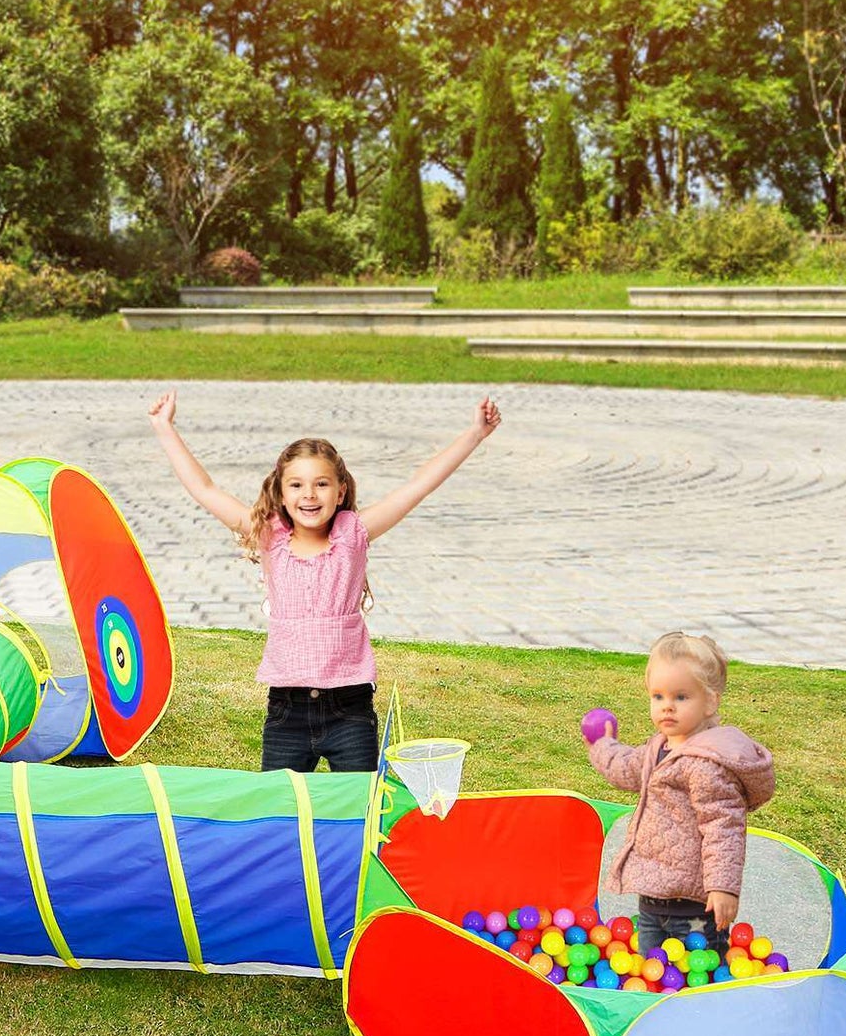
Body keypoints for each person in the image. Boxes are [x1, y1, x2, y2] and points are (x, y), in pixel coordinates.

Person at [147, 388, 501, 771]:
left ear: (341, 490)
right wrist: (164, 427)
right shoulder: (269, 534)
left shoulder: (354, 533)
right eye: (296, 485)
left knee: (356, 812)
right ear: (281, 495)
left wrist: (475, 434)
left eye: (322, 484)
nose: (309, 495)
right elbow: (205, 489)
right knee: (282, 813)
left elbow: (417, 486)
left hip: (349, 710)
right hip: (287, 711)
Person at [586, 631, 775, 956]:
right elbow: (626, 767)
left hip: (693, 905)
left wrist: (723, 887)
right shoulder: (659, 747)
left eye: (681, 697)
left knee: (696, 979)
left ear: (711, 701)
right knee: (653, 972)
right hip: (653, 898)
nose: (667, 707)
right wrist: (603, 744)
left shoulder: (706, 764)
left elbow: (723, 828)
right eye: (658, 697)